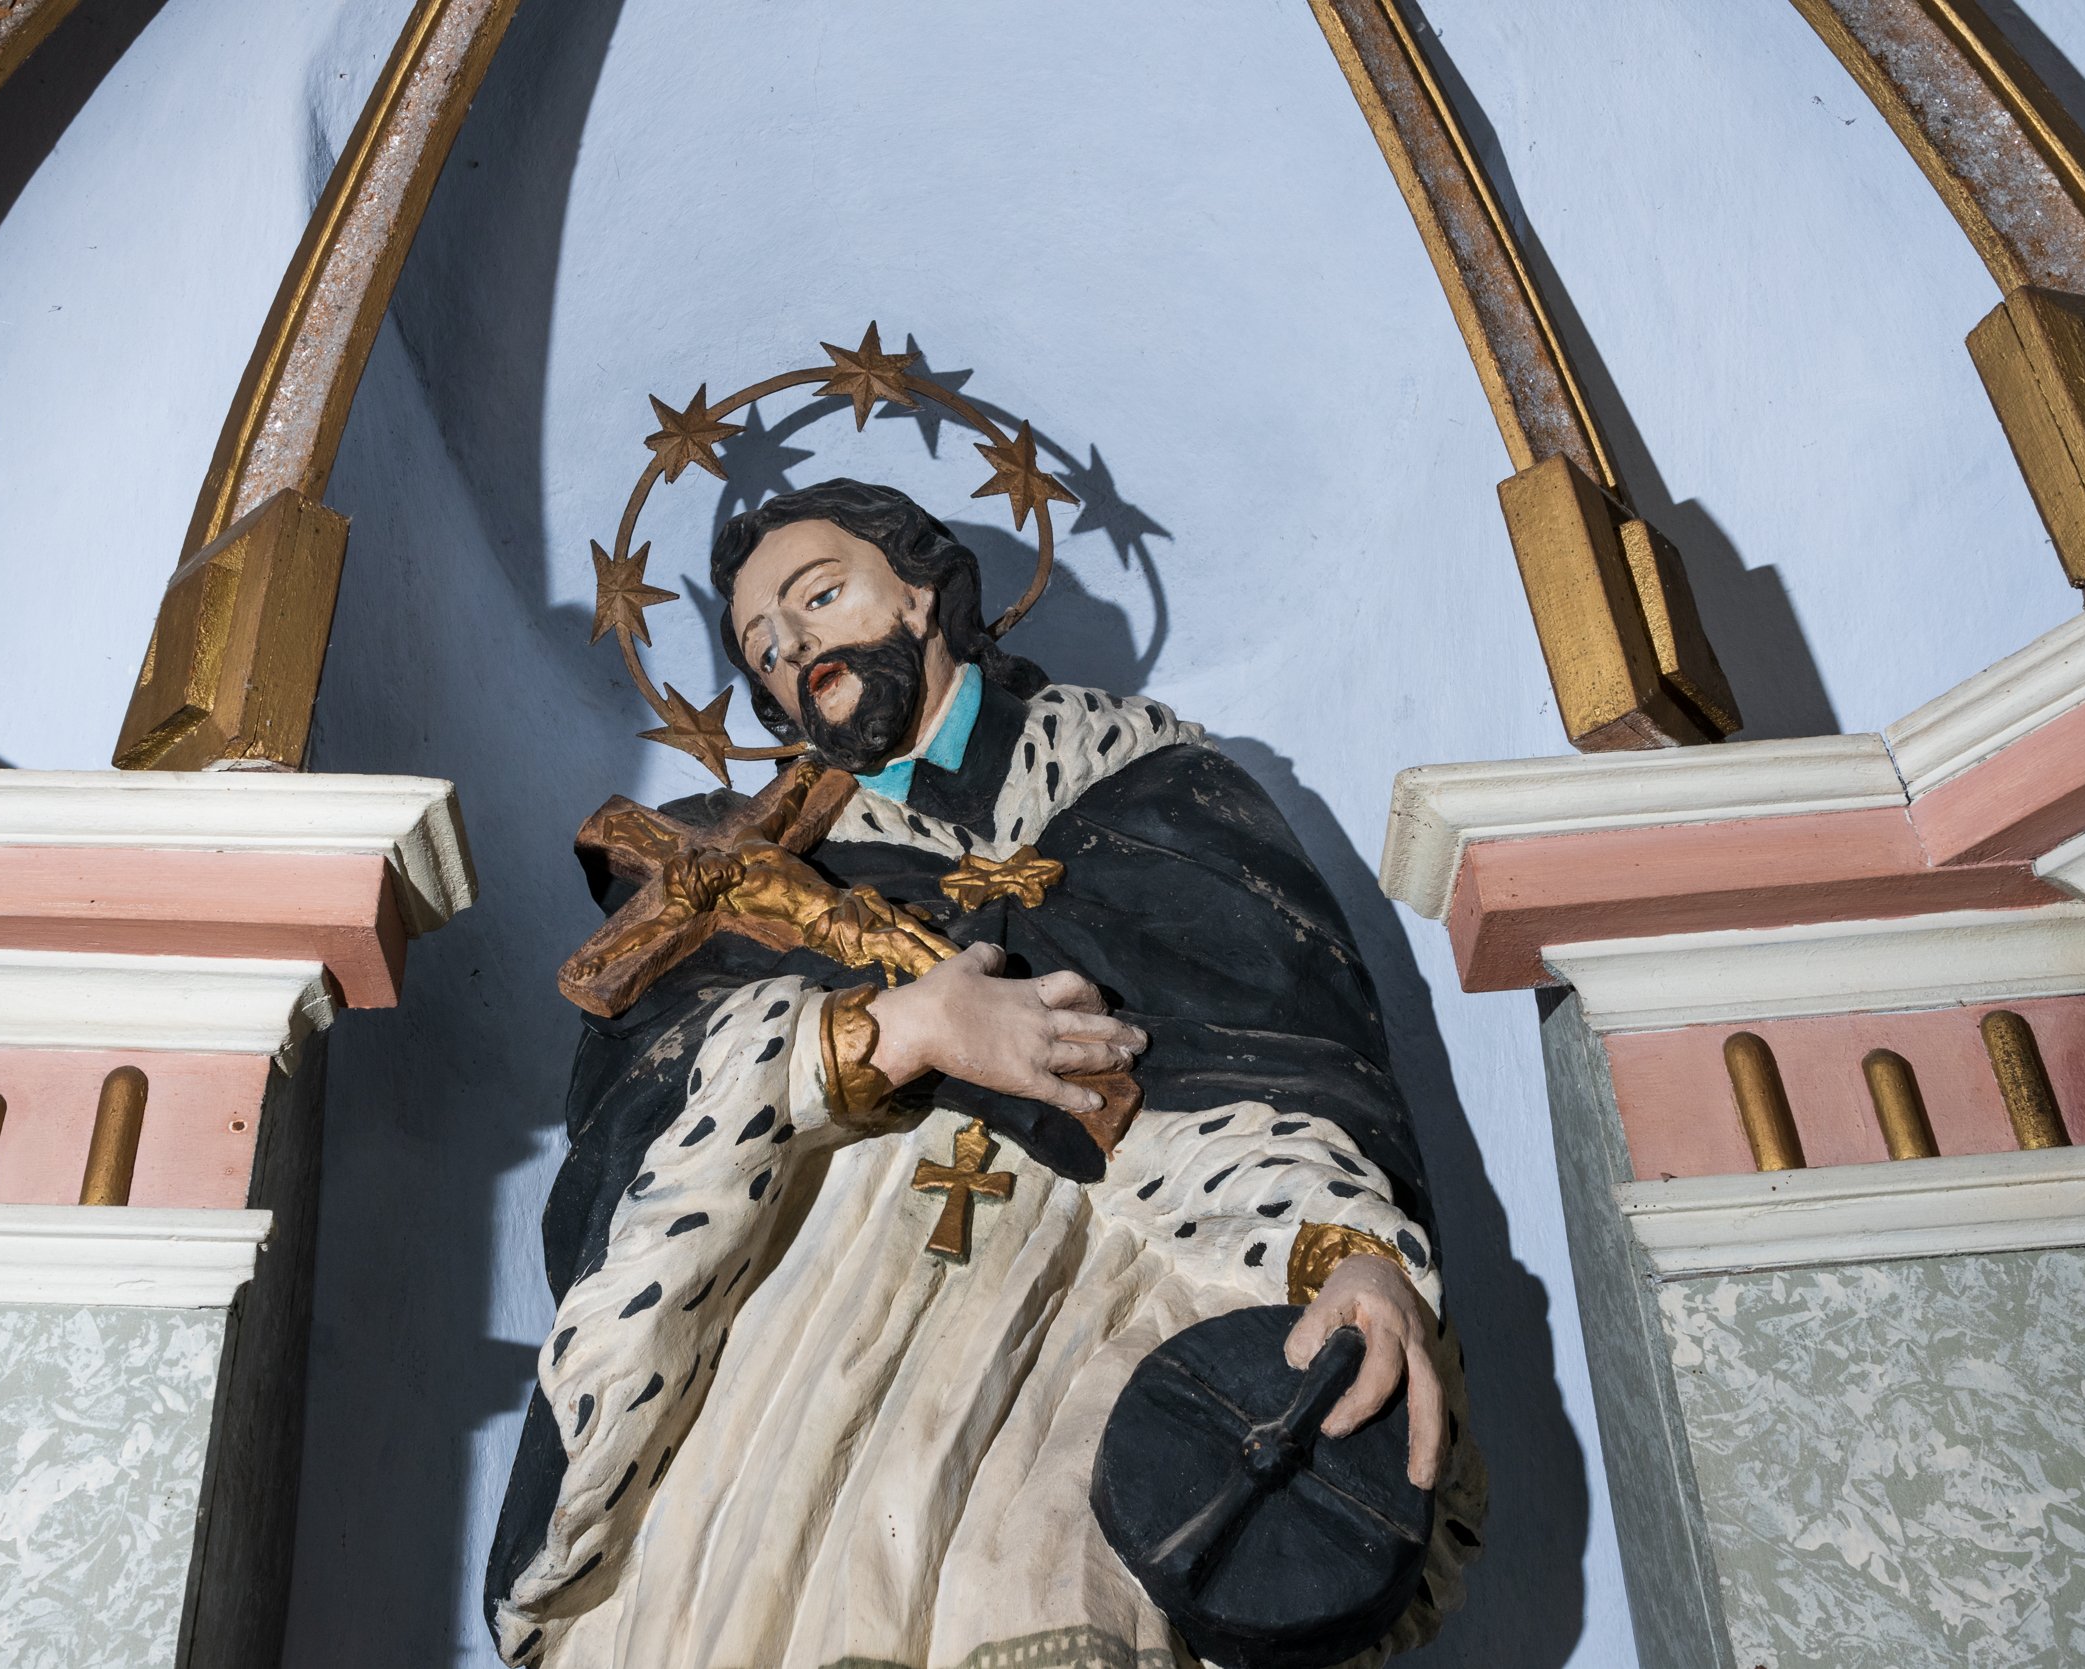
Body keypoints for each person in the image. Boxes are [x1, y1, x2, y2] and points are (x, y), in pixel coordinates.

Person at [488, 479, 1481, 1668]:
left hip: (1109, 1269)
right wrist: (899, 1033)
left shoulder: (1151, 785)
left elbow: (1286, 1046)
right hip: (805, 1305)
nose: (794, 645)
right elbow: (631, 1118)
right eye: (763, 645)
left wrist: (1350, 1248)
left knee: (1051, 1598)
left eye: (818, 595)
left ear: (921, 594)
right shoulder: (732, 872)